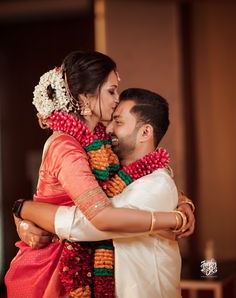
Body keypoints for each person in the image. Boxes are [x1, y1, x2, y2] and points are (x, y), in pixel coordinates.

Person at [5, 51, 193, 298]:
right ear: (85, 96)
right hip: (56, 265)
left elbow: (134, 179)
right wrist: (174, 219)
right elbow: (100, 217)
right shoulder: (66, 146)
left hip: (88, 256)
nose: (116, 99)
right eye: (111, 91)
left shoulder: (101, 140)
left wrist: (182, 201)